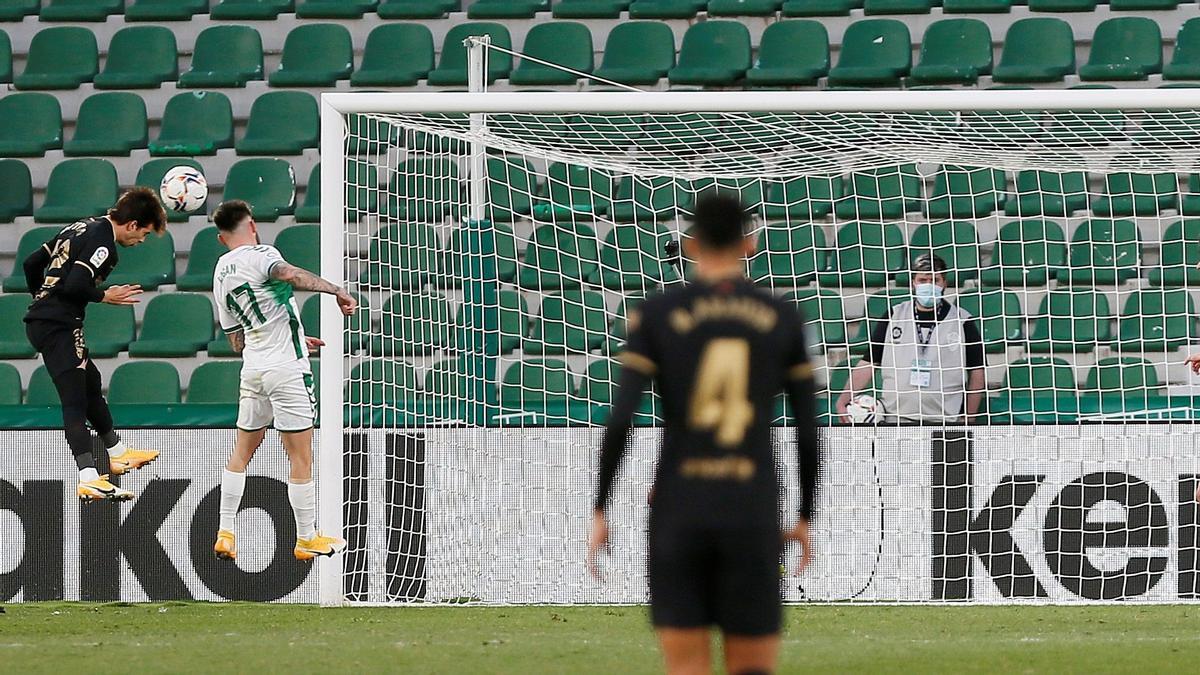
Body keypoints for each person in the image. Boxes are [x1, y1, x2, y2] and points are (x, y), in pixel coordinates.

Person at [586, 193, 822, 675]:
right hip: (751, 508)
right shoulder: (783, 318)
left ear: (690, 245)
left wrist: (600, 506)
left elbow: (621, 419)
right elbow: (807, 428)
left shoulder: (656, 314)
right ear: (750, 243)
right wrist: (804, 515)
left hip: (680, 507)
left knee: (687, 669)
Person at [209, 200, 356, 562]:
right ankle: (306, 537)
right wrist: (335, 289)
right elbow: (289, 275)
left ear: (220, 237)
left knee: (241, 452)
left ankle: (225, 530)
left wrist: (293, 333)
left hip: (253, 369)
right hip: (287, 369)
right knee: (300, 455)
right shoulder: (262, 254)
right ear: (253, 225)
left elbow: (237, 339)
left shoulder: (219, 274)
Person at [23, 187, 167, 502]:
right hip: (58, 326)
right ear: (131, 224)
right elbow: (76, 283)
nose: (140, 241)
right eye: (143, 234)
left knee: (90, 383)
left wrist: (41, 299)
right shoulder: (104, 244)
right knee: (74, 399)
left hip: (49, 321)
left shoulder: (79, 226)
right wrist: (105, 295)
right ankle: (88, 476)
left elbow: (32, 264)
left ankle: (118, 451)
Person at [836, 253, 985, 425]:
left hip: (946, 420)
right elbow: (869, 363)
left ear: (944, 283)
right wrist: (843, 399)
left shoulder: (963, 320)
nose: (929, 285)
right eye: (923, 280)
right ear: (913, 282)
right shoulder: (894, 315)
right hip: (895, 419)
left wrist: (969, 416)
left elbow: (977, 371)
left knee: (950, 454)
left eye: (935, 280)